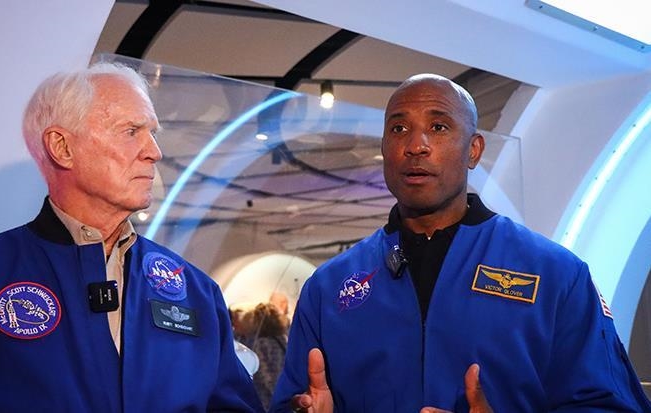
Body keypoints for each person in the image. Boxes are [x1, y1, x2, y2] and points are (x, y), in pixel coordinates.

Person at [269, 74, 651, 412]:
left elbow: (607, 404)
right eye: (399, 129)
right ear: (384, 147)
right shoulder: (329, 288)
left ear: (474, 150)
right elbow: (292, 401)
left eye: (438, 127)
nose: (416, 145)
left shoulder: (556, 275)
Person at [0, 63, 264, 412]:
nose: (154, 151)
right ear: (62, 147)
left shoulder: (196, 291)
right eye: (131, 131)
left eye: (152, 133)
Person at [241, 302, 289, 410]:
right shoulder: (283, 339)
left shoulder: (261, 344)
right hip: (283, 393)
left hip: (266, 399)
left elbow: (264, 374)